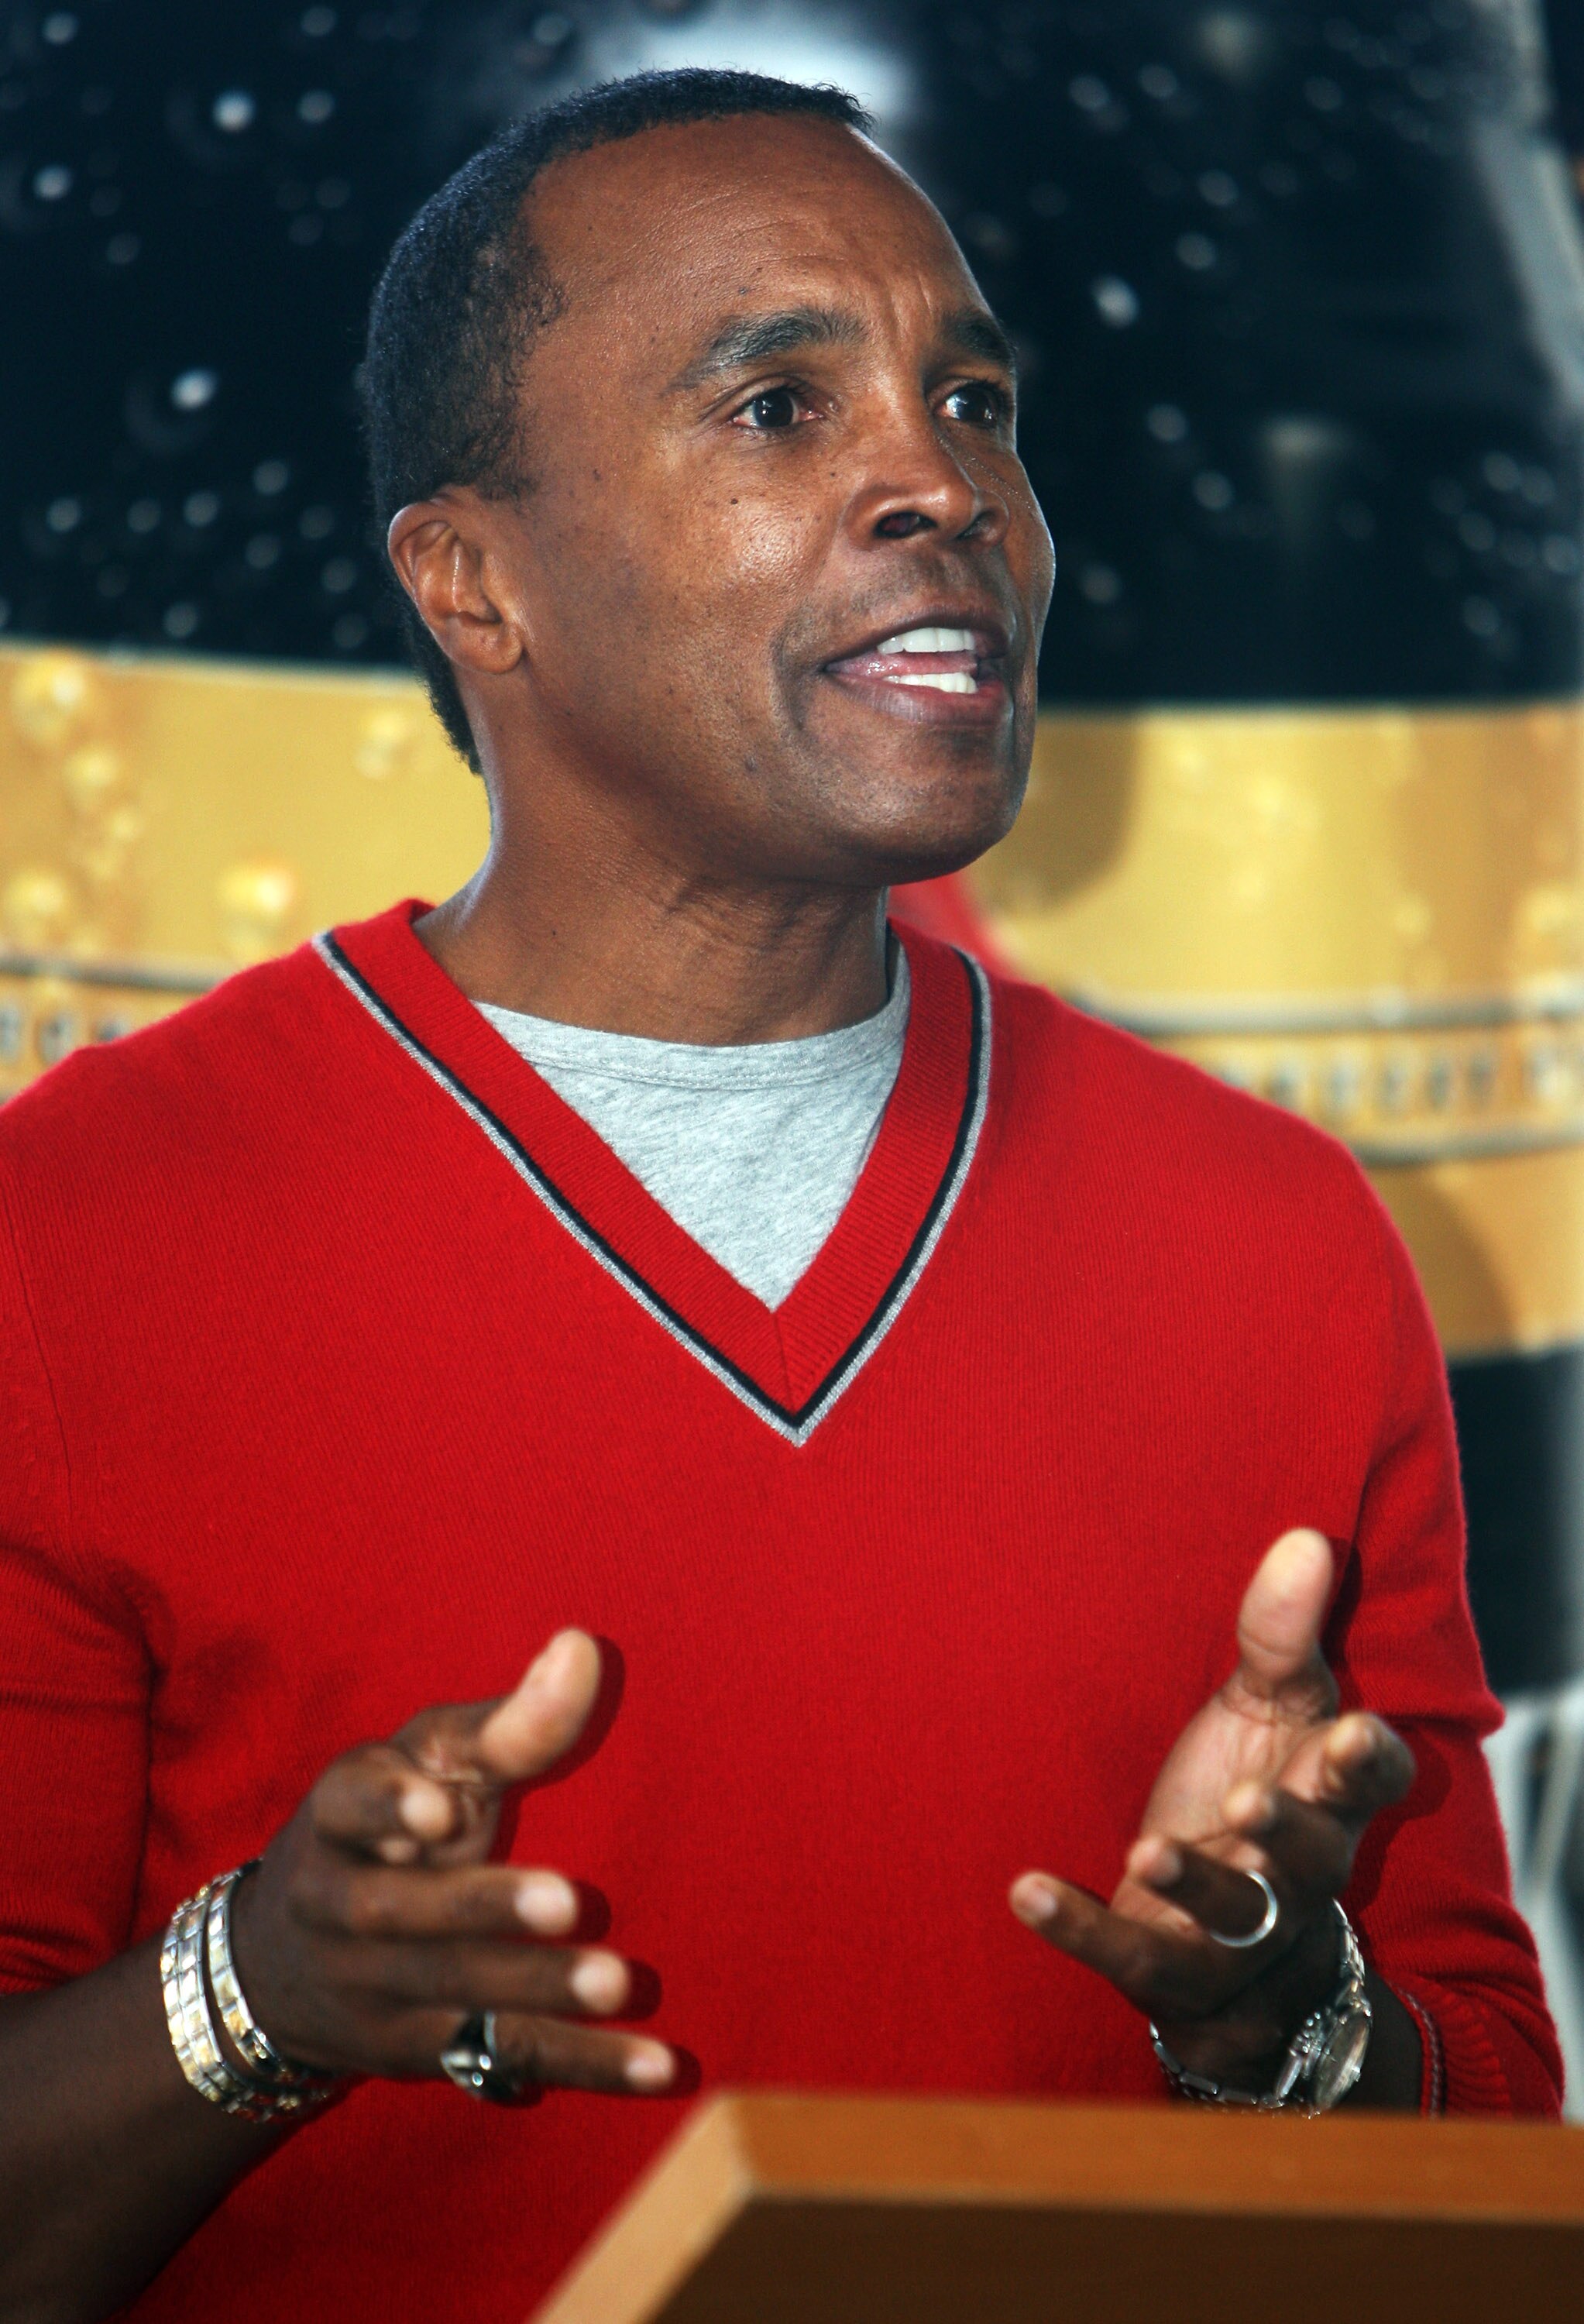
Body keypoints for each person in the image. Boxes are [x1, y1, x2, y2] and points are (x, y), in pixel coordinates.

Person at [0, 66, 1560, 2324]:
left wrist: (1283, 2021)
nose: (948, 487)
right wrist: (254, 1991)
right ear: (472, 582)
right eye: (779, 407)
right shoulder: (72, 1240)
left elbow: (1493, 2166)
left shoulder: (1285, 1244)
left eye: (977, 402)